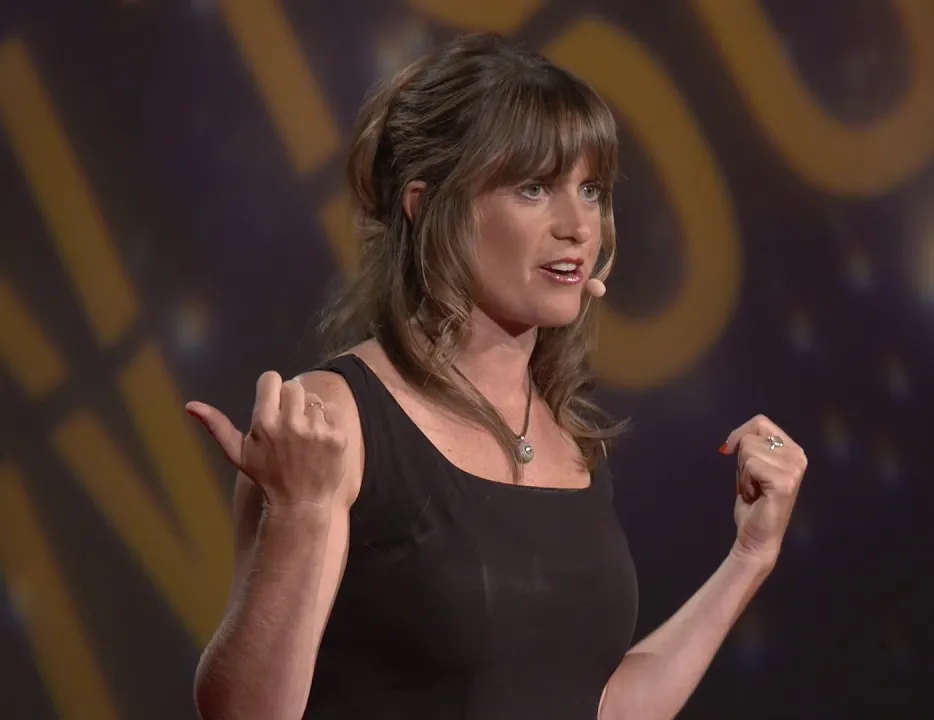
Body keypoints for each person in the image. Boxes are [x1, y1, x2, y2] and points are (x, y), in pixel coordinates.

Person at [184, 32, 807, 719]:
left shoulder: (566, 439)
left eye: (590, 190)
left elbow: (594, 709)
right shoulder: (335, 422)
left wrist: (750, 557)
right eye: (534, 188)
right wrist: (299, 513)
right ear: (428, 205)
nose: (578, 226)